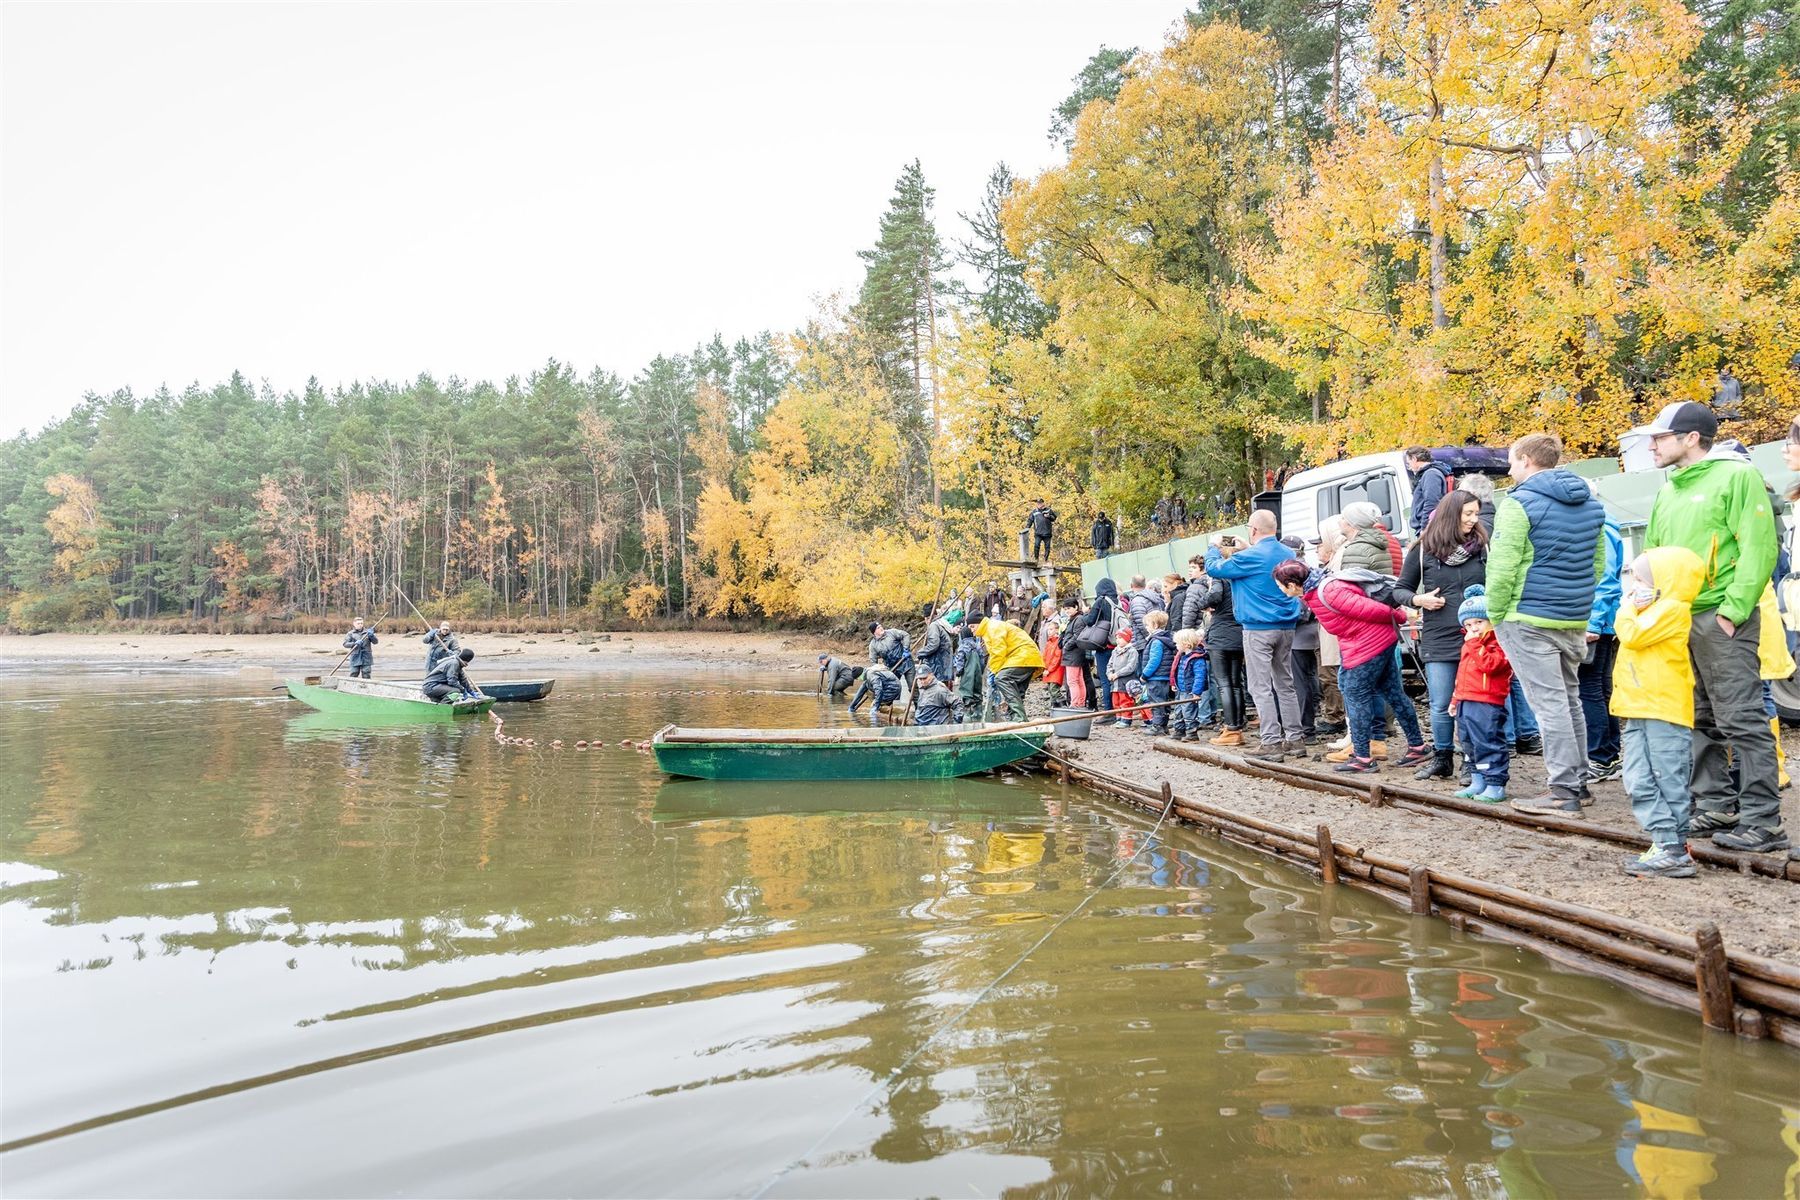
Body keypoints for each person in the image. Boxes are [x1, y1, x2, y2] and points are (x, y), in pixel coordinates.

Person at [1643, 401, 1786, 851]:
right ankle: (1716, 804)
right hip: (1680, 619)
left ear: (1690, 438)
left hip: (1721, 617)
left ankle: (1764, 821)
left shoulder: (1736, 477)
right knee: (1699, 716)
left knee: (1741, 717)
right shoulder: (1668, 490)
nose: (1652, 446)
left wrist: (1733, 610)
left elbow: (1759, 547)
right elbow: (1654, 554)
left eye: (1660, 437)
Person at [1487, 433, 1609, 817]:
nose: (1509, 469)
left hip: (1527, 617)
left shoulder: (1518, 503)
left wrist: (1495, 613)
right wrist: (1577, 603)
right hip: (1572, 616)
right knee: (1570, 700)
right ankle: (1578, 783)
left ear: (1526, 460)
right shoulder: (1591, 504)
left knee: (1549, 705)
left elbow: (1502, 567)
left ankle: (1563, 791)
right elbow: (1597, 563)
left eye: (1512, 461)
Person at [1611, 546, 1707, 877]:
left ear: (1665, 580)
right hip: (1640, 706)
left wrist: (1626, 609)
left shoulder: (1672, 609)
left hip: (1663, 708)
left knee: (1667, 777)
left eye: (1641, 579)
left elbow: (1632, 636)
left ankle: (1672, 847)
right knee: (1637, 777)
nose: (1634, 586)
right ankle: (1664, 841)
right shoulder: (1652, 609)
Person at [1392, 490, 1489, 780]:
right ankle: (1442, 757)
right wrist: (1419, 600)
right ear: (1451, 515)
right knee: (1440, 701)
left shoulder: (1483, 547)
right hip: (1439, 634)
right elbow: (1400, 590)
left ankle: (1472, 761)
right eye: (1468, 514)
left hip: (1478, 636)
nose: (1473, 520)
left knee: (1473, 702)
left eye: (1476, 514)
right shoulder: (1423, 549)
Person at [1301, 565, 1429, 774]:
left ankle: (1362, 757)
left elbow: (1371, 609)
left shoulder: (1329, 591)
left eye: (1280, 585)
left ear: (1291, 584)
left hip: (1367, 645)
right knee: (1393, 693)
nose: (1280, 589)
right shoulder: (1319, 591)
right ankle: (1417, 746)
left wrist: (1400, 617)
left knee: (1355, 694)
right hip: (1377, 641)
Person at [1206, 510, 1304, 761]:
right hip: (1287, 626)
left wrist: (1213, 547)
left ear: (1253, 529)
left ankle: (1271, 741)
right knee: (1285, 683)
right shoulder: (1288, 553)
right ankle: (1295, 739)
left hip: (1258, 628)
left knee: (1260, 687)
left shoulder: (1248, 557)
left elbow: (1214, 568)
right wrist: (1248, 547)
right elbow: (1267, 561)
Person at [1448, 587, 1511, 803]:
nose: (1473, 628)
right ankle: (1478, 780)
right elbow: (1462, 673)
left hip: (1487, 702)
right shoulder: (1470, 644)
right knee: (1468, 742)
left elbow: (1490, 665)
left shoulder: (1498, 642)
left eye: (1479, 622)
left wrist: (1474, 643)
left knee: (1488, 741)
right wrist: (1456, 698)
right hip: (1466, 700)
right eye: (1468, 624)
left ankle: (1495, 783)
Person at [1579, 510, 1625, 783]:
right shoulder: (1605, 527)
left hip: (1596, 623)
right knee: (1600, 688)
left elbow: (1606, 580)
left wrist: (1593, 623)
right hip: (1601, 621)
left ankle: (1600, 757)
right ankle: (1609, 755)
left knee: (1590, 689)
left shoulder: (1600, 530)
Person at [1201, 565, 1247, 747]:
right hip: (1238, 634)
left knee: (1224, 684)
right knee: (1236, 684)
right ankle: (1238, 726)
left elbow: (1214, 596)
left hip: (1221, 635)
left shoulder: (1219, 577)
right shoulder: (1241, 576)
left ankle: (1231, 728)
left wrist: (1204, 603)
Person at [1284, 544, 1324, 743]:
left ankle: (1306, 729)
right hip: (1314, 635)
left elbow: (1300, 610)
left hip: (1298, 637)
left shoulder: (1291, 575)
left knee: (1300, 684)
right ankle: (1310, 723)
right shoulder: (1312, 572)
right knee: (1310, 679)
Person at [971, 616, 1043, 721]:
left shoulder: (992, 627)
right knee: (1017, 689)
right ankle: (1015, 719)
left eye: (972, 626)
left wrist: (994, 671)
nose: (971, 630)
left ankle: (1019, 717)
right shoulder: (992, 628)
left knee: (1002, 679)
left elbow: (998, 652)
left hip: (1022, 656)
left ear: (979, 623)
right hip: (1029, 657)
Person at [1137, 610, 1177, 735]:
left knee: (1156, 702)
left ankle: (1157, 726)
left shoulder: (1156, 641)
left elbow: (1154, 660)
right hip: (1164, 676)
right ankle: (1163, 725)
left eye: (1147, 625)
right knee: (1163, 702)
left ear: (1154, 625)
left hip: (1155, 677)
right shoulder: (1166, 639)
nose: (1146, 627)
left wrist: (1145, 674)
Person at [1170, 628, 1209, 742]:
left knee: (1189, 712)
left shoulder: (1197, 659)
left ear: (1186, 644)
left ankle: (1192, 733)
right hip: (1180, 689)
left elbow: (1200, 677)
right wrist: (1174, 683)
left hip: (1189, 691)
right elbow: (1177, 671)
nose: (1176, 646)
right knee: (1178, 710)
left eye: (1177, 643)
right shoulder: (1182, 657)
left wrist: (1196, 692)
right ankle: (1179, 730)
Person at [1407, 446, 1452, 535]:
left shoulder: (1431, 474)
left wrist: (1425, 528)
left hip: (1429, 531)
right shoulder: (1429, 474)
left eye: (1409, 462)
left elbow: (1432, 502)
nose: (1409, 467)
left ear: (1414, 459)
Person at [1106, 627, 1144, 728]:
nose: (1118, 640)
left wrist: (1118, 674)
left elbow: (1131, 667)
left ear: (1127, 638)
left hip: (1125, 682)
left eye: (1120, 638)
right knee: (1116, 701)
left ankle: (1126, 720)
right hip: (1115, 682)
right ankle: (1118, 719)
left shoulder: (1132, 651)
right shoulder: (1115, 651)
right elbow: (1109, 664)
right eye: (1117, 638)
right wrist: (1109, 673)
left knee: (1125, 701)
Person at [916, 606, 958, 687]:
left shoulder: (934, 626)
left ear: (927, 618)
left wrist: (921, 653)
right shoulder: (943, 624)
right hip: (946, 664)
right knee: (945, 689)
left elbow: (933, 644)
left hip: (939, 664)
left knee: (938, 689)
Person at [953, 627, 988, 722]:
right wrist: (980, 671)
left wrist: (958, 673)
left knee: (966, 693)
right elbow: (982, 661)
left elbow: (960, 662)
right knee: (977, 693)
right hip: (977, 673)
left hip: (967, 674)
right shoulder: (977, 646)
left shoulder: (962, 646)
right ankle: (978, 714)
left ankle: (967, 715)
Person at [868, 621, 914, 692]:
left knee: (913, 687)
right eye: (878, 628)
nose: (881, 628)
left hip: (906, 662)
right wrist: (880, 670)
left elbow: (906, 635)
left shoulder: (892, 632)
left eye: (880, 626)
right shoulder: (873, 645)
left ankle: (917, 699)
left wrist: (906, 649)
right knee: (891, 689)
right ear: (874, 632)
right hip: (892, 668)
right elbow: (873, 661)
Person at [1125, 574, 1165, 645]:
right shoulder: (1155, 596)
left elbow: (1141, 623)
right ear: (1145, 584)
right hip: (1158, 636)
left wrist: (1150, 638)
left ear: (1131, 585)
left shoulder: (1137, 601)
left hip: (1143, 641)